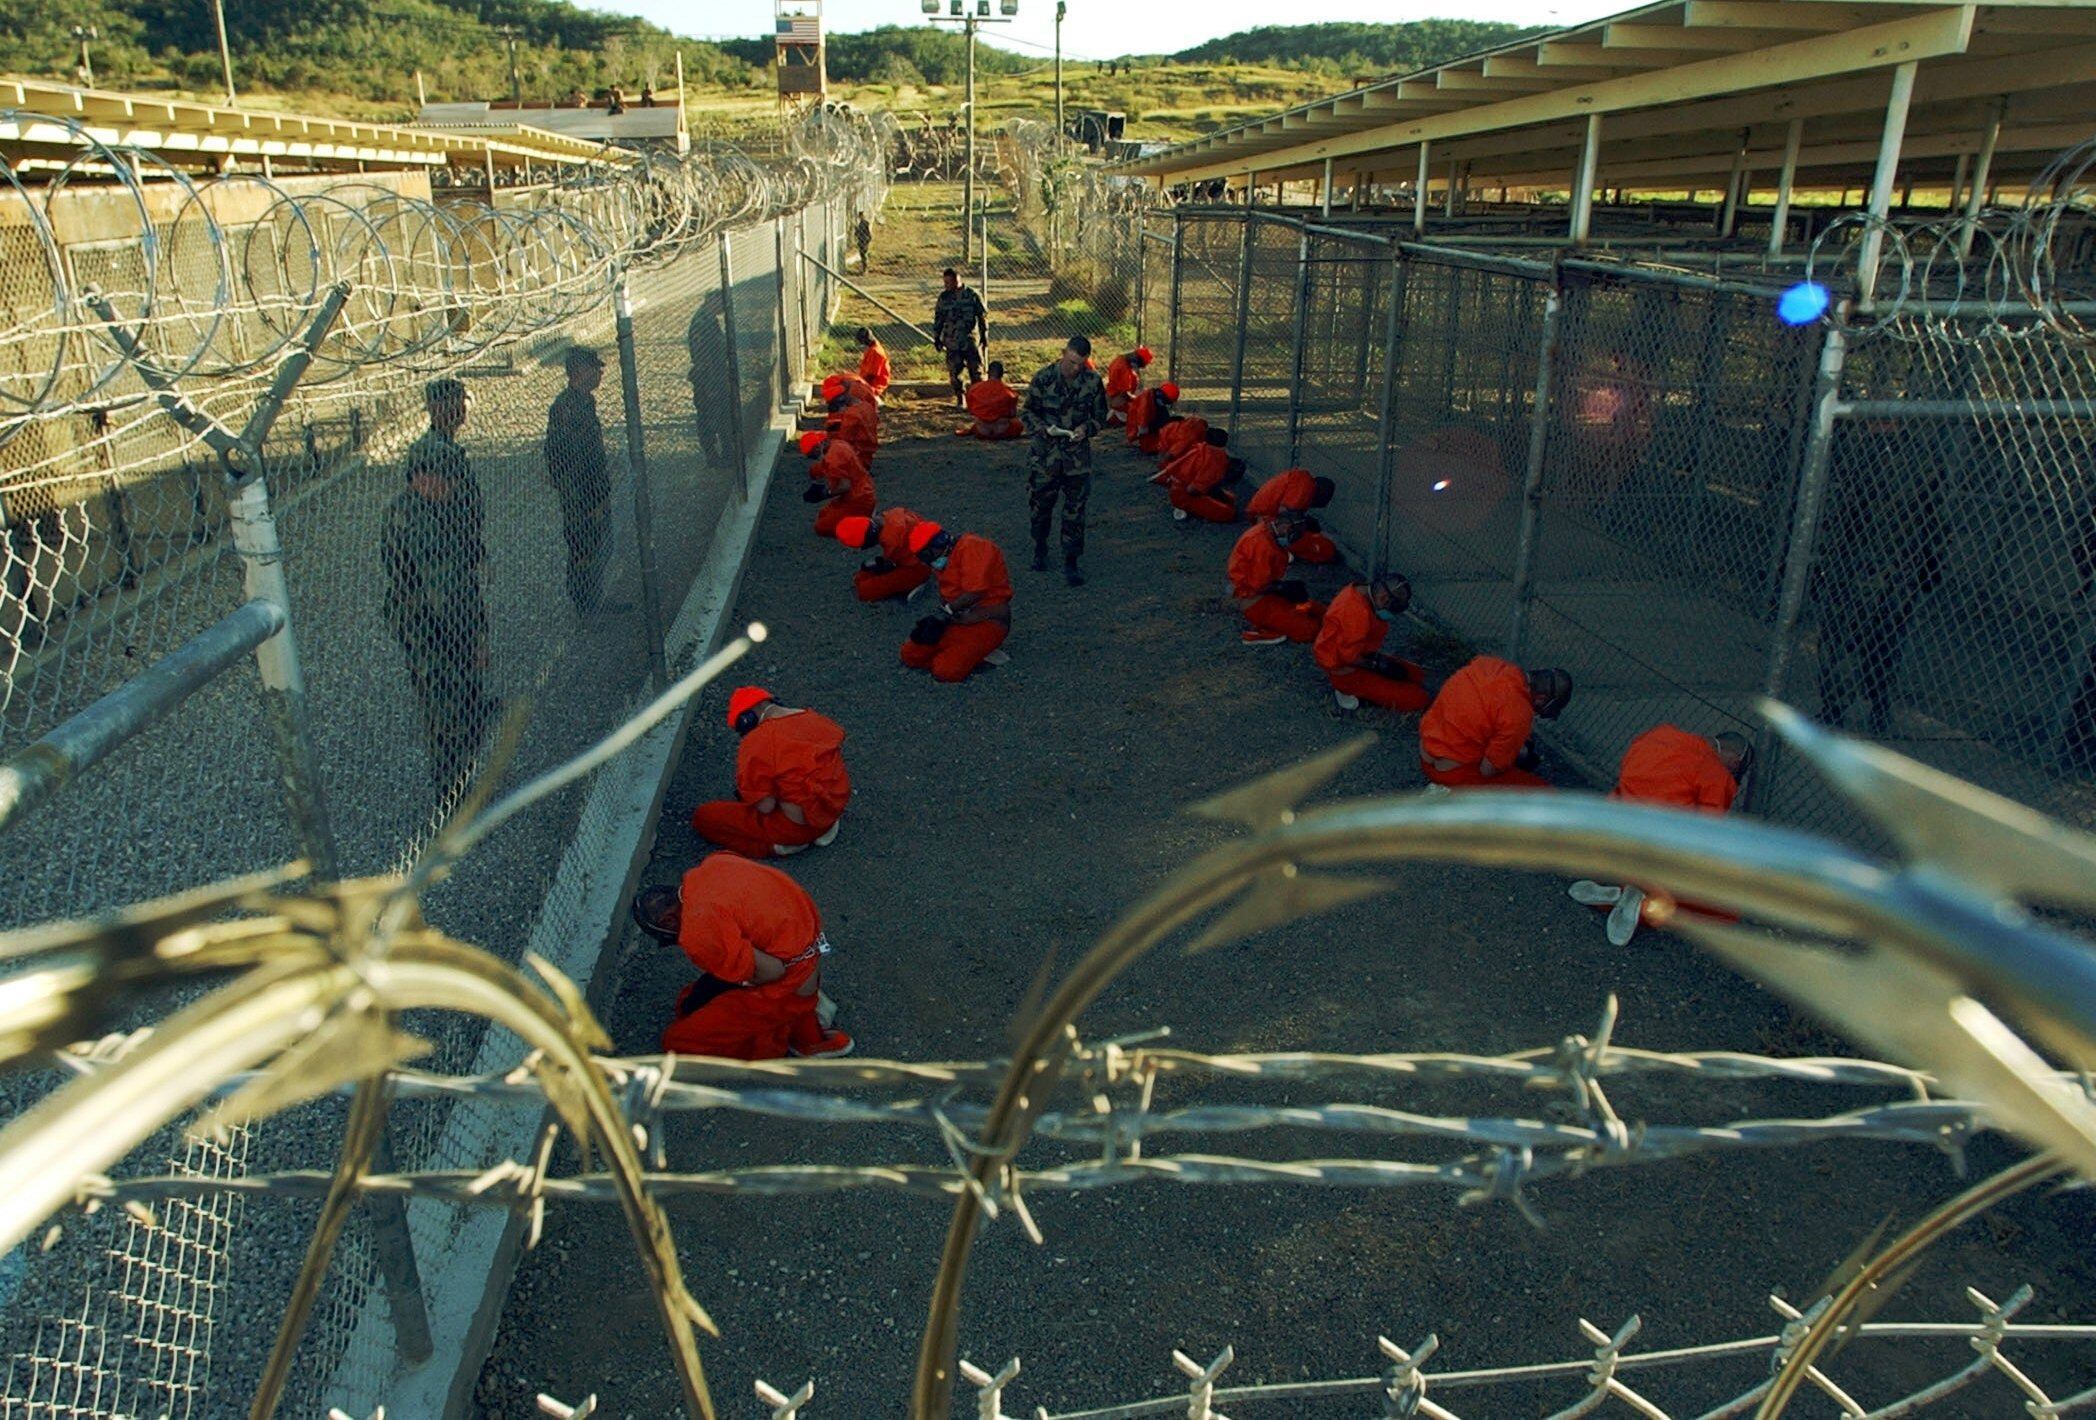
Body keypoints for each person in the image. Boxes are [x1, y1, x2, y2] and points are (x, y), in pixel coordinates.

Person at [381, 378, 496, 793]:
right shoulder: (422, 522)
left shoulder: (425, 507)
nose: (450, 490)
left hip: (436, 616)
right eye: (443, 481)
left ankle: (461, 766)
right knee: (445, 706)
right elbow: (445, 590)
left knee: (454, 699)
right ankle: (452, 788)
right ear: (422, 476)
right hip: (431, 624)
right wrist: (474, 639)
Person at [631, 853, 854, 1060]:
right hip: (807, 952)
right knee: (690, 1000)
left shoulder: (696, 929)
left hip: (788, 982)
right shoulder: (715, 865)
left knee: (677, 1040)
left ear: (668, 922)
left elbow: (773, 971)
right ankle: (803, 1011)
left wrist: (740, 980)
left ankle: (786, 1033)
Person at [1812, 435, 1945, 737]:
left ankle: (1841, 707)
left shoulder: (1868, 461)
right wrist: (1930, 567)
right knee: (1883, 643)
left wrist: (1827, 565)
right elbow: (1935, 524)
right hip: (1892, 570)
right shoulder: (1924, 465)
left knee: (1847, 642)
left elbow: (1845, 518)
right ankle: (1875, 706)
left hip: (1866, 569)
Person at [1569, 727, 1752, 945]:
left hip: (1612, 832)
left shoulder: (1659, 735)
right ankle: (1636, 900)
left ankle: (1622, 892)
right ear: (1734, 759)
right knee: (1723, 912)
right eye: (1737, 769)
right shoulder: (1717, 776)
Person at [689, 687, 851, 858]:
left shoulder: (758, 741)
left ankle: (779, 847)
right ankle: (822, 829)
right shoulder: (815, 719)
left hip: (796, 827)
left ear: (746, 720)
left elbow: (766, 807)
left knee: (705, 817)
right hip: (832, 810)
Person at [1022, 336, 1112, 586]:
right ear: (1064, 354)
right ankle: (1040, 548)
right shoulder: (1044, 378)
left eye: (1080, 364)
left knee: (1075, 512)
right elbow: (1027, 412)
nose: (1075, 368)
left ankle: (1071, 560)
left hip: (1076, 460)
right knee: (1040, 508)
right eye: (1072, 362)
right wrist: (1043, 429)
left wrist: (1087, 428)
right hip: (1045, 457)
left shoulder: (1092, 381)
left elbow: (1101, 416)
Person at [1417, 657, 1572, 789]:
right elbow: (1487, 770)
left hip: (1425, 751)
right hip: (1448, 773)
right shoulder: (1519, 713)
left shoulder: (1489, 664)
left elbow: (1485, 711)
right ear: (1541, 698)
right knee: (1544, 792)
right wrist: (1512, 756)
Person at [899, 521, 1012, 682]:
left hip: (988, 619)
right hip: (958, 619)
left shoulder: (974, 548)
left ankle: (975, 653)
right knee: (910, 654)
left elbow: (975, 592)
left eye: (927, 555)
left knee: (946, 671)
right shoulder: (945, 557)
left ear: (938, 544)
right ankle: (970, 653)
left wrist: (946, 611)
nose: (927, 561)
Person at [544, 346, 611, 614]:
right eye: (595, 368)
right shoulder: (567, 407)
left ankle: (595, 596)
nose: (600, 373)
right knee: (583, 546)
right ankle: (585, 602)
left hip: (589, 490)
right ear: (581, 372)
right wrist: (590, 497)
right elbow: (570, 459)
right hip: (580, 494)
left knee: (595, 545)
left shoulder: (582, 402)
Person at [1314, 576, 1429, 712]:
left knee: (1416, 674)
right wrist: (1377, 666)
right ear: (1383, 599)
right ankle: (1346, 689)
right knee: (1418, 699)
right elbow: (1348, 657)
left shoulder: (1358, 592)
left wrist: (1378, 661)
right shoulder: (1357, 616)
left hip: (1359, 654)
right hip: (1345, 669)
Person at [1228, 512, 1326, 646]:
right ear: (1285, 525)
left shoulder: (1268, 533)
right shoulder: (1261, 545)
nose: (1295, 538)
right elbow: (1258, 586)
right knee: (1310, 630)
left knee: (1317, 610)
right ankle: (1264, 630)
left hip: (1266, 593)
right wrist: (1283, 588)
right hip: (1256, 601)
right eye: (1295, 533)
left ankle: (1277, 624)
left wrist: (1283, 588)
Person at [1244, 469, 1340, 564]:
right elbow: (1286, 517)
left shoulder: (1302, 481)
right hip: (1265, 520)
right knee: (1325, 548)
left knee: (1308, 530)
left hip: (1263, 515)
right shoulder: (1306, 487)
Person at [836, 510, 932, 602]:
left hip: (918, 567)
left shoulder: (891, 539)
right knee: (864, 574)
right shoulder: (890, 516)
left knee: (865, 590)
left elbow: (897, 561)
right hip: (921, 555)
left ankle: (916, 583)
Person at [1156, 429, 1246, 524]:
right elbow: (1192, 490)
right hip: (1184, 493)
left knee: (1230, 498)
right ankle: (1186, 508)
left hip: (1177, 485)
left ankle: (1192, 507)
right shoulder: (1216, 460)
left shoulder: (1200, 447)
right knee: (1229, 513)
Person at [932, 267, 990, 406]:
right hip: (952, 341)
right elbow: (939, 318)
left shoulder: (972, 295)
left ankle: (978, 401)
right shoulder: (944, 297)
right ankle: (960, 399)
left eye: (948, 282)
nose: (946, 285)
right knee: (955, 373)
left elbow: (982, 317)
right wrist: (937, 338)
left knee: (976, 372)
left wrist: (984, 336)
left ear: (957, 280)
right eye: (944, 282)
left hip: (970, 341)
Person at [801, 430, 874, 539]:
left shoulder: (832, 459)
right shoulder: (837, 444)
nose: (814, 458)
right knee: (823, 513)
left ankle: (863, 522)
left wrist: (824, 493)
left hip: (858, 499)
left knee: (822, 527)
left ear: (818, 447)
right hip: (861, 492)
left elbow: (844, 486)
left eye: (812, 455)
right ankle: (861, 518)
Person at [956, 360, 1023, 440]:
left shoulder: (974, 390)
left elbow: (971, 411)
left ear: (988, 373)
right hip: (1003, 431)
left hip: (982, 431)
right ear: (1002, 374)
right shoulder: (1009, 393)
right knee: (1018, 424)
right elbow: (1012, 414)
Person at [1125, 381, 1179, 455]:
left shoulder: (1153, 398)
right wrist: (1162, 426)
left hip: (1144, 431)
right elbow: (1142, 429)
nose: (1166, 404)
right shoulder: (1146, 403)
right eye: (1167, 402)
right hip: (1140, 437)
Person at [825, 392, 880, 462]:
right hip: (870, 444)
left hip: (858, 448)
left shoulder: (851, 415)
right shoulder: (866, 406)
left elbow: (845, 436)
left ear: (843, 406)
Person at [1104, 346, 1152, 424]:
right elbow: (1125, 394)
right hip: (1117, 400)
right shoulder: (1123, 369)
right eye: (1140, 365)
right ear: (1136, 359)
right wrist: (1137, 399)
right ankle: (1114, 416)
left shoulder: (1120, 359)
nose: (1139, 367)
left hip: (1115, 396)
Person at [855, 326, 891, 402]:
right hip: (869, 381)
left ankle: (876, 401)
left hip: (875, 383)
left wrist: (860, 383)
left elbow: (872, 375)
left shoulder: (875, 352)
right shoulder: (873, 348)